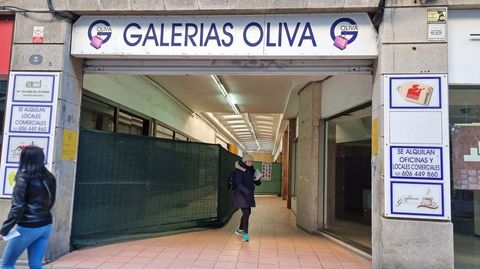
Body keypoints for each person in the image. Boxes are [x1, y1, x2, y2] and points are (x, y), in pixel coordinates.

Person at [0, 146, 56, 269]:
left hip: (28, 226)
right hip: (46, 224)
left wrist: (4, 230)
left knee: (6, 264)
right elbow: (51, 201)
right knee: (36, 265)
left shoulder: (23, 177)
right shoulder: (49, 176)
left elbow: (17, 207)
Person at [233, 154, 260, 242]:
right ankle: (246, 234)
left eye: (252, 161)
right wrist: (247, 191)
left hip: (248, 195)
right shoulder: (239, 171)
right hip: (241, 195)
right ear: (244, 161)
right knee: (246, 212)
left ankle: (240, 229)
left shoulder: (251, 170)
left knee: (247, 213)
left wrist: (257, 179)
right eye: (249, 161)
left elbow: (257, 183)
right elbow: (239, 184)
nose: (251, 162)